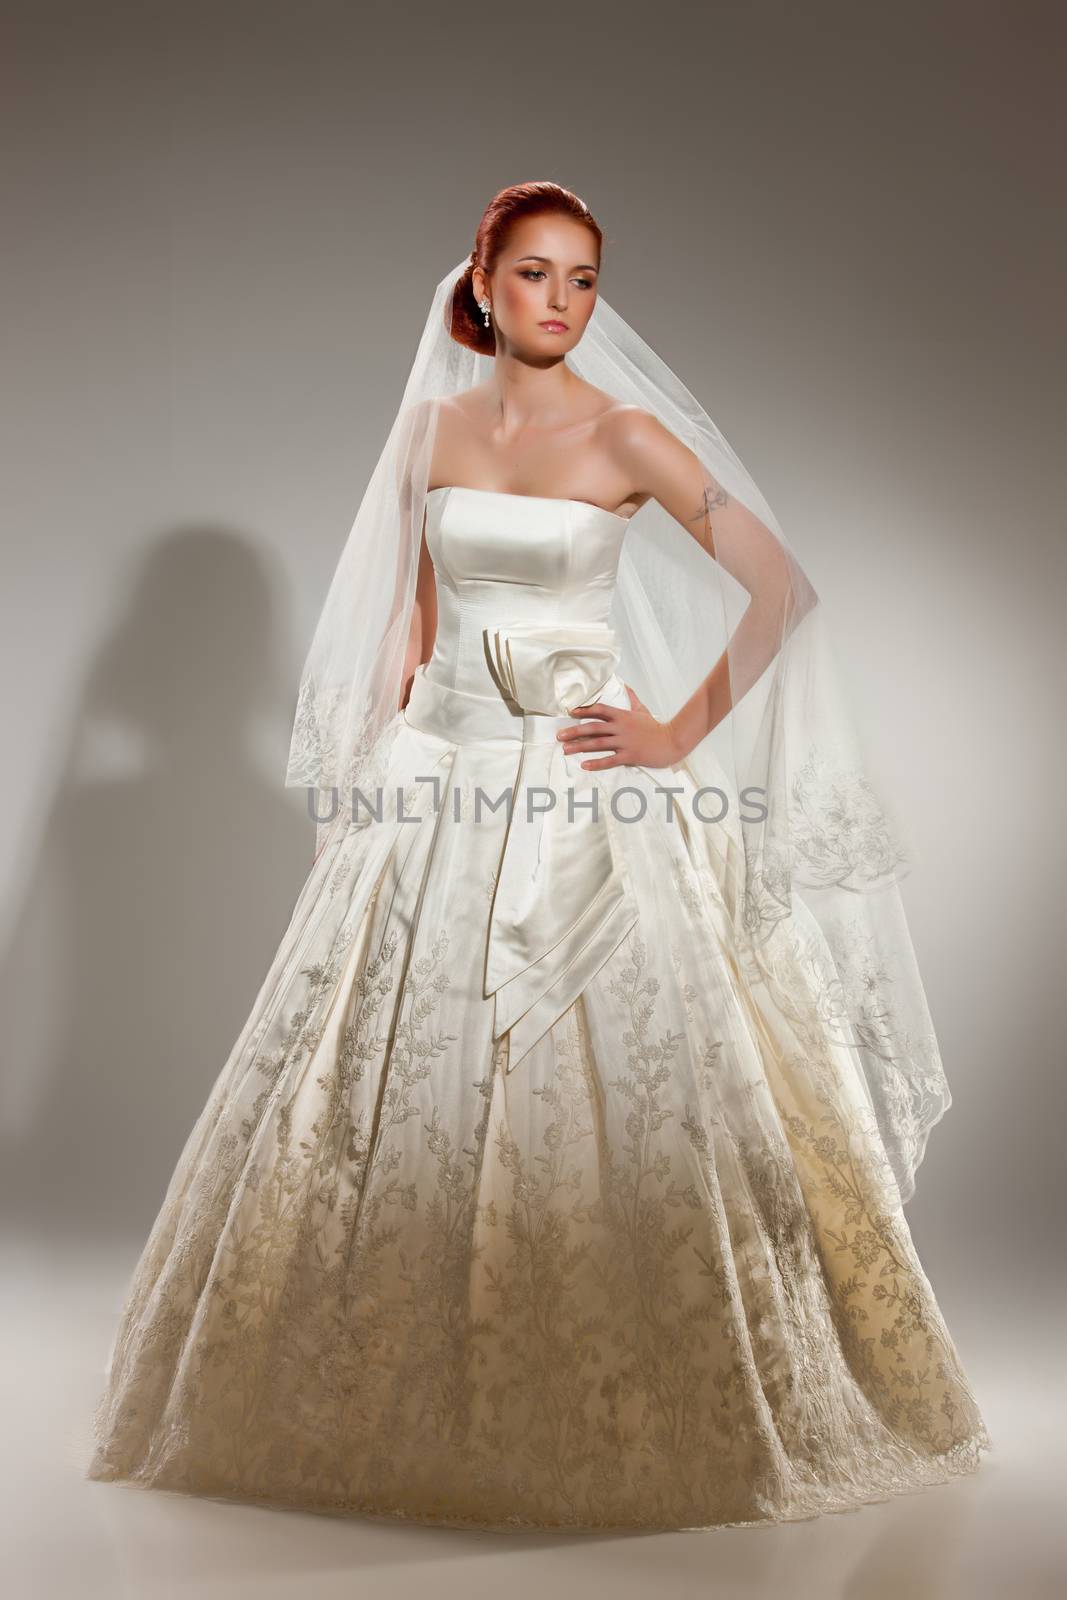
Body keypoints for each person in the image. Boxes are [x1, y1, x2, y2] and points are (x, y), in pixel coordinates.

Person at [86, 181, 991, 1532]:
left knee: (634, 1097)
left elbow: (781, 589)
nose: (561, 302)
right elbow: (417, 613)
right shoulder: (432, 429)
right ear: (483, 280)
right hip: (435, 790)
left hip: (581, 796)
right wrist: (393, 748)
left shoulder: (629, 433)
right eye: (536, 275)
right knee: (375, 1099)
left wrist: (674, 735)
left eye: (583, 279)